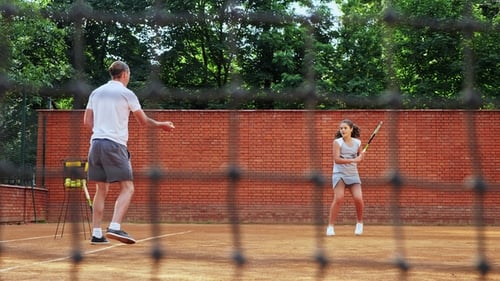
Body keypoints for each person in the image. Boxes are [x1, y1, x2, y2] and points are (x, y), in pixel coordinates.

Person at [84, 61, 175, 245]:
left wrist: (101, 132)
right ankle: (115, 226)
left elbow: (87, 121)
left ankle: (96, 234)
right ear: (125, 74)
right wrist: (161, 125)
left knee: (101, 189)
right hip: (114, 145)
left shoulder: (96, 92)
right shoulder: (126, 94)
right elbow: (143, 121)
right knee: (128, 187)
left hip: (95, 144)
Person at [326, 119, 365, 236]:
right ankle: (330, 226)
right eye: (341, 128)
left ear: (351, 129)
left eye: (345, 128)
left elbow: (360, 158)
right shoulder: (337, 142)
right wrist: (354, 159)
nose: (342, 130)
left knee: (358, 198)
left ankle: (359, 223)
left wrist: (362, 156)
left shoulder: (357, 143)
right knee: (339, 198)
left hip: (353, 174)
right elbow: (337, 160)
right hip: (339, 174)